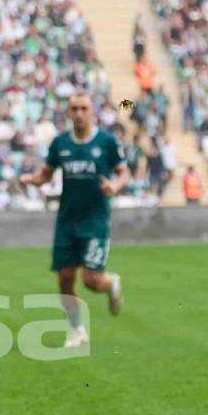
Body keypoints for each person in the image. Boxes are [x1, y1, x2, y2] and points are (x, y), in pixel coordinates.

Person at [20, 93, 129, 348]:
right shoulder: (60, 143)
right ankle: (76, 329)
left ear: (91, 112)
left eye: (83, 108)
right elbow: (46, 175)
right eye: (74, 108)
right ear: (68, 113)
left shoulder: (107, 142)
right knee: (65, 278)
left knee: (91, 280)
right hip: (67, 221)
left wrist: (115, 185)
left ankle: (111, 283)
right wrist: (31, 180)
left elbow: (124, 172)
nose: (79, 113)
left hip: (95, 222)